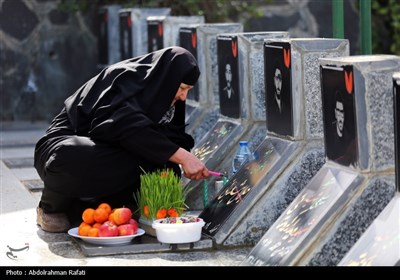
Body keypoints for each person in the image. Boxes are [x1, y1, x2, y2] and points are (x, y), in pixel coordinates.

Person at [34, 46, 210, 233]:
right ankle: (50, 207)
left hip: (113, 151)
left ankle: (96, 209)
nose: (183, 96)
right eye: (182, 88)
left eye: (188, 90)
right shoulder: (125, 78)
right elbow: (119, 125)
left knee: (165, 166)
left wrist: (181, 158)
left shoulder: (169, 99)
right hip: (66, 148)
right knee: (73, 153)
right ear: (167, 78)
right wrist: (183, 157)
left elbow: (170, 138)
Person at [325, 90, 357, 166]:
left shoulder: (352, 133)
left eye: (341, 111)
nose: (340, 115)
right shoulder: (329, 134)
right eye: (338, 111)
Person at [266, 58, 293, 136]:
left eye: (280, 79)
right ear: (274, 79)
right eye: (277, 78)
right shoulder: (271, 104)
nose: (278, 83)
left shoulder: (288, 104)